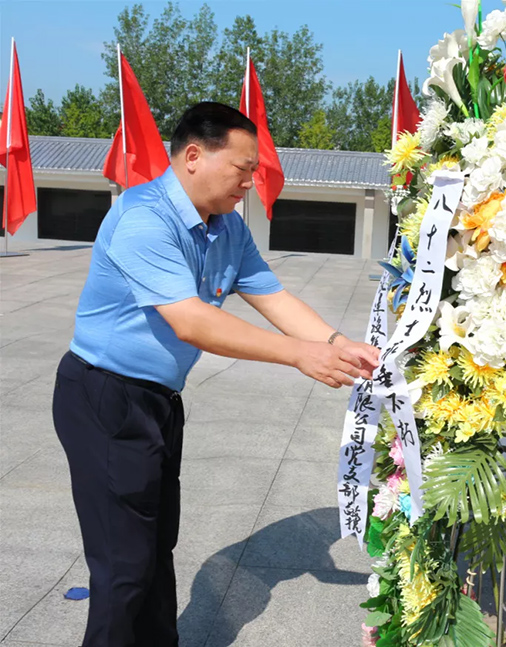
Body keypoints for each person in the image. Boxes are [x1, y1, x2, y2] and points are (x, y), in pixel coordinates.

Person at [51, 101, 378, 646]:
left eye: (254, 172)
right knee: (123, 566)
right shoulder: (143, 216)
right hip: (104, 397)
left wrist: (339, 345)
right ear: (195, 156)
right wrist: (298, 355)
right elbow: (192, 321)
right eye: (243, 169)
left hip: (158, 401)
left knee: (155, 550)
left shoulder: (225, 227)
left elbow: (270, 294)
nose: (250, 182)